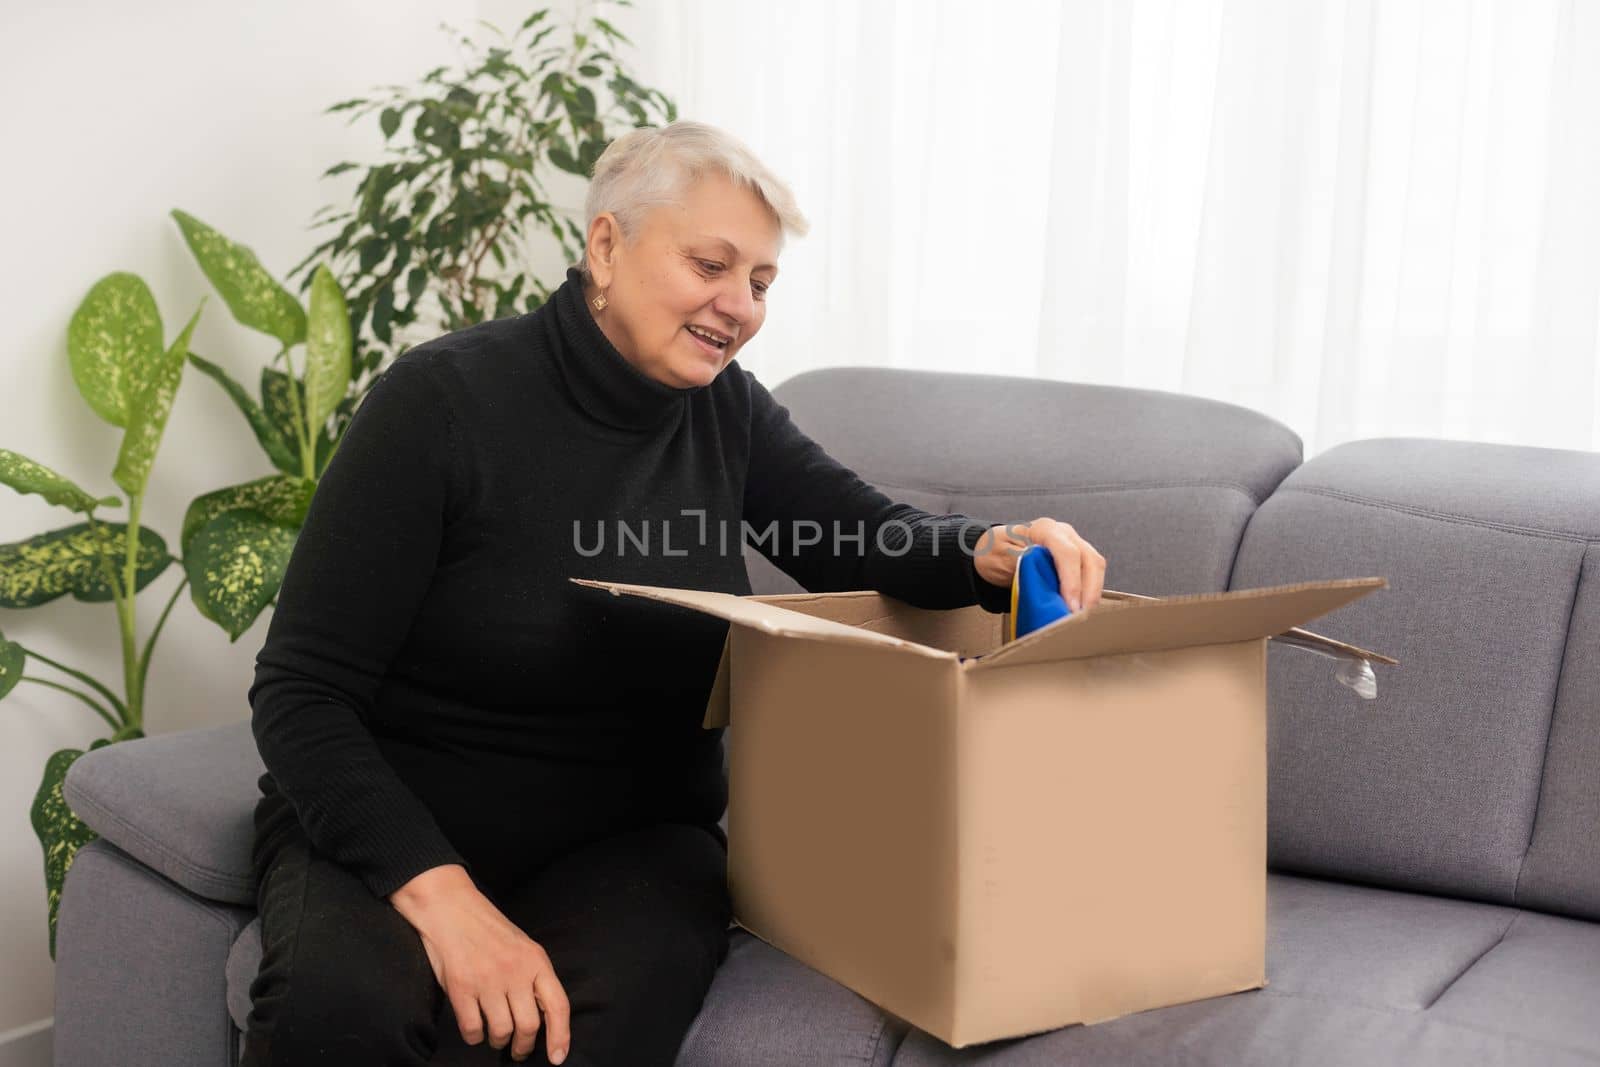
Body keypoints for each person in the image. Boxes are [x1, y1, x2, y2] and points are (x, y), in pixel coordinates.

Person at [239, 120, 1106, 1067]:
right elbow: (300, 692)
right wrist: (442, 897)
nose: (739, 305)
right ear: (606, 247)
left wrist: (994, 549)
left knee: (573, 1037)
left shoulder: (725, 410)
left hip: (631, 844)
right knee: (337, 1016)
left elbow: (859, 536)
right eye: (712, 265)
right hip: (405, 817)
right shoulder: (440, 403)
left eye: (762, 282)